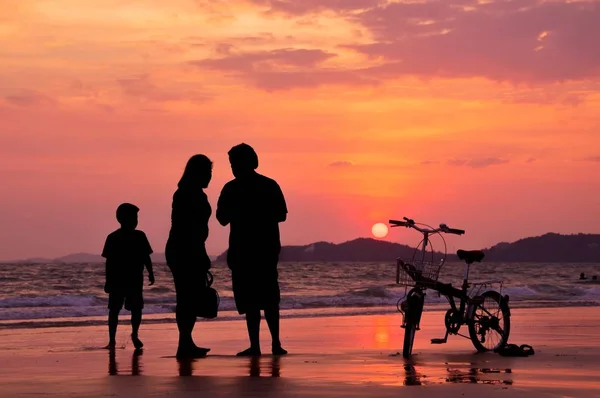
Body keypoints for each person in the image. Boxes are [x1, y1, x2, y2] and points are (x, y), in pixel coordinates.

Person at [216, 143, 288, 356]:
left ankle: (262, 345)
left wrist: (242, 212)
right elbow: (281, 215)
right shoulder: (268, 185)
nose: (233, 168)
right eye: (231, 164)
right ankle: (271, 344)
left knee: (255, 300)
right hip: (259, 250)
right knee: (265, 299)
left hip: (249, 251)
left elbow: (221, 219)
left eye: (235, 163)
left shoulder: (232, 189)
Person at [165, 154, 213, 359]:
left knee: (188, 297)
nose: (210, 177)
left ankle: (186, 342)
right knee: (186, 297)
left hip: (184, 248)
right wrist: (200, 255)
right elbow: (188, 229)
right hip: (185, 250)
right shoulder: (187, 194)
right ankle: (184, 344)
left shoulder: (189, 193)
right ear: (198, 173)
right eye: (208, 172)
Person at [102, 203, 155, 350]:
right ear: (123, 219)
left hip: (135, 280)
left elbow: (146, 257)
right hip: (118, 280)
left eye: (136, 217)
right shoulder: (113, 238)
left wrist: (151, 272)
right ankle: (112, 340)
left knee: (136, 309)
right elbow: (109, 262)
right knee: (114, 310)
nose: (136, 220)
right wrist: (107, 281)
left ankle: (135, 335)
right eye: (133, 217)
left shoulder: (140, 236)